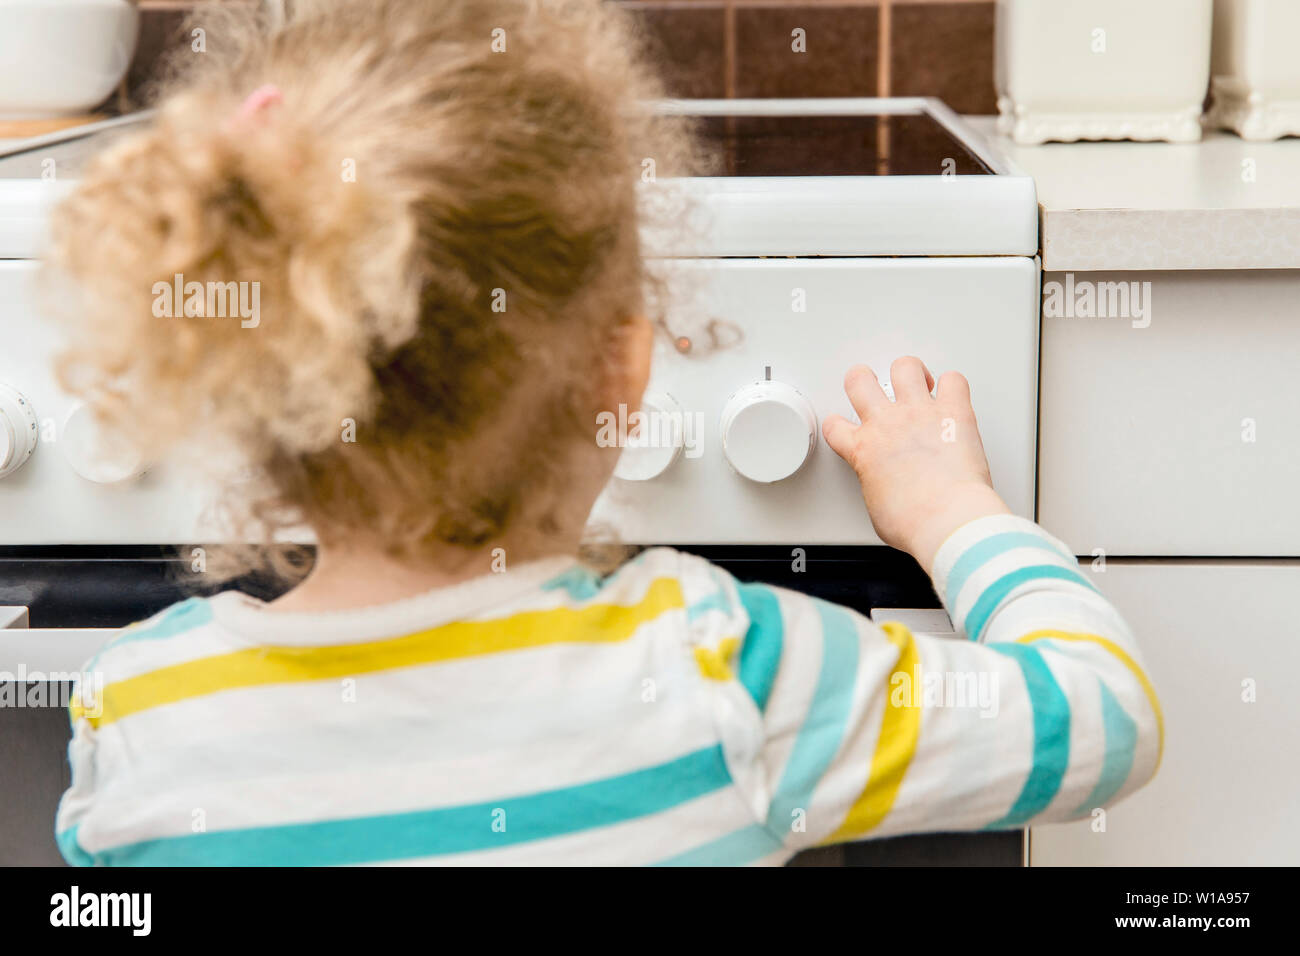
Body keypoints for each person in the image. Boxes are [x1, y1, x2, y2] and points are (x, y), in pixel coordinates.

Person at [49, 0, 1160, 866]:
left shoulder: (138, 715)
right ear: (623, 368)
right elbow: (1105, 717)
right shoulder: (717, 669)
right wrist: (954, 509)